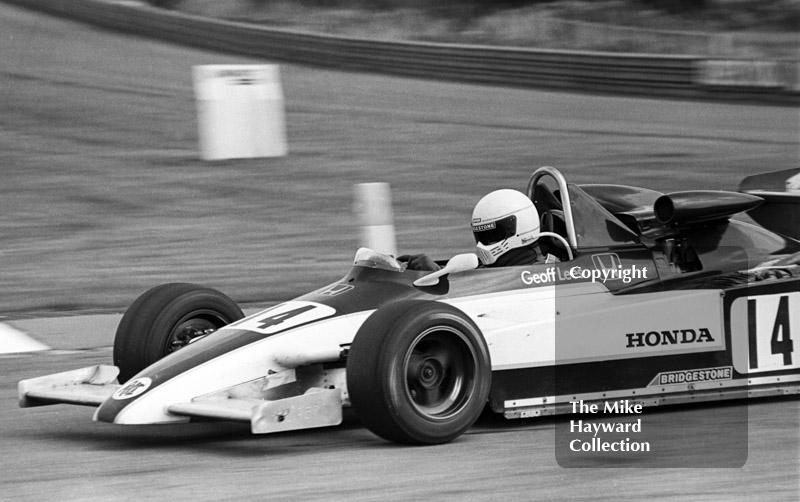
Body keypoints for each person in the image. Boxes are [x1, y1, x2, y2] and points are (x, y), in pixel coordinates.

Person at [400, 189, 558, 271]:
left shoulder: (545, 273)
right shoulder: (498, 267)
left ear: (520, 230)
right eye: (481, 236)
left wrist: (434, 275)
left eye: (492, 234)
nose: (483, 245)